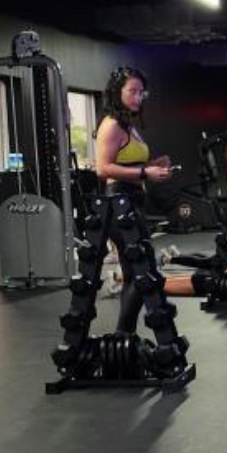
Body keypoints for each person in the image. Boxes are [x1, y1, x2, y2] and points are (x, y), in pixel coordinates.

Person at [93, 65, 175, 332]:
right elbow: (103, 168)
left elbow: (130, 163)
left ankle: (124, 337)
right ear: (117, 92)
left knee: (139, 274)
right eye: (133, 91)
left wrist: (154, 164)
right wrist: (144, 172)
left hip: (133, 202)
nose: (138, 97)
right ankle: (122, 337)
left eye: (142, 92)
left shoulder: (128, 124)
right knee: (142, 273)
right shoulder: (111, 125)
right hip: (118, 203)